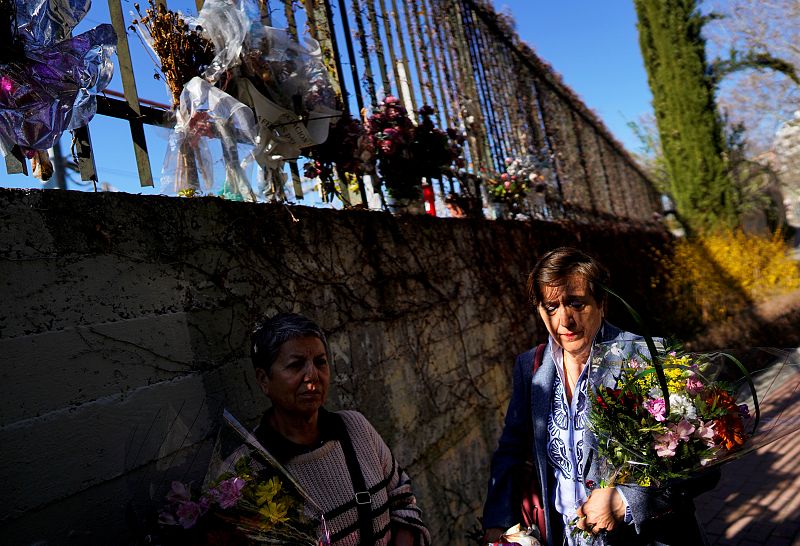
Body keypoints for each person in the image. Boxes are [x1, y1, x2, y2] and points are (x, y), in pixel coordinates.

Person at [482, 247, 717, 546]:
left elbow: (704, 465)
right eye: (551, 307)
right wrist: (497, 523)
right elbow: (511, 451)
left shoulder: (646, 357)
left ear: (602, 303)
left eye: (576, 303)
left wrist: (625, 499)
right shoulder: (531, 368)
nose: (564, 320)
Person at [250, 312, 431, 546]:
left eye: (320, 362)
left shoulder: (355, 429)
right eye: (296, 365)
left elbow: (402, 499)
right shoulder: (248, 470)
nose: (312, 375)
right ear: (264, 380)